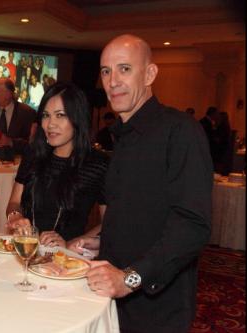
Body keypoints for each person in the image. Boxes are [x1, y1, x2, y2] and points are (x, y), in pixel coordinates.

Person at [79, 34, 212, 333]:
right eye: (105, 71)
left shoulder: (181, 131)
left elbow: (192, 225)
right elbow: (142, 214)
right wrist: (103, 240)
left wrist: (130, 279)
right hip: (114, 296)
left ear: (150, 74)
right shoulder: (121, 136)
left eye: (124, 69)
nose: (112, 81)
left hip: (157, 306)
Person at [6, 82, 108, 248]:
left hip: (66, 261)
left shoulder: (97, 164)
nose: (50, 124)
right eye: (46, 115)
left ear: (77, 118)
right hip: (27, 249)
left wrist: (72, 243)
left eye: (60, 115)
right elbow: (13, 202)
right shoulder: (34, 154)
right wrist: (15, 216)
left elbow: (109, 223)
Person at [0, 78, 36, 161]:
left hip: (16, 167)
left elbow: (31, 143)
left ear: (8, 94)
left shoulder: (27, 112)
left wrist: (10, 142)